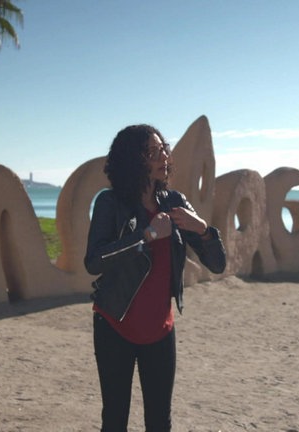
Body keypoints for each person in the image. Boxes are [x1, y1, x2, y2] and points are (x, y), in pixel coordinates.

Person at [84, 124, 226, 431]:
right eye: (152, 152)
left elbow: (217, 264)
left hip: (161, 329)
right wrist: (146, 236)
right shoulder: (110, 202)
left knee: (160, 421)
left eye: (163, 149)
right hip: (114, 324)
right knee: (115, 419)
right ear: (132, 160)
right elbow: (94, 261)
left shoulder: (175, 202)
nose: (163, 157)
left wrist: (202, 229)